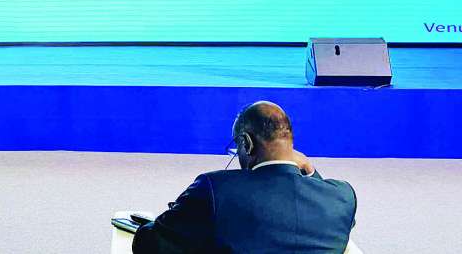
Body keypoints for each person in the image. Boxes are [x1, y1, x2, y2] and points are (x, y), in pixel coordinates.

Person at [132, 101, 357, 254]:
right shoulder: (342, 197)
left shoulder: (215, 189)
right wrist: (309, 169)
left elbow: (149, 244)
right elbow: (336, 222)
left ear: (246, 143)